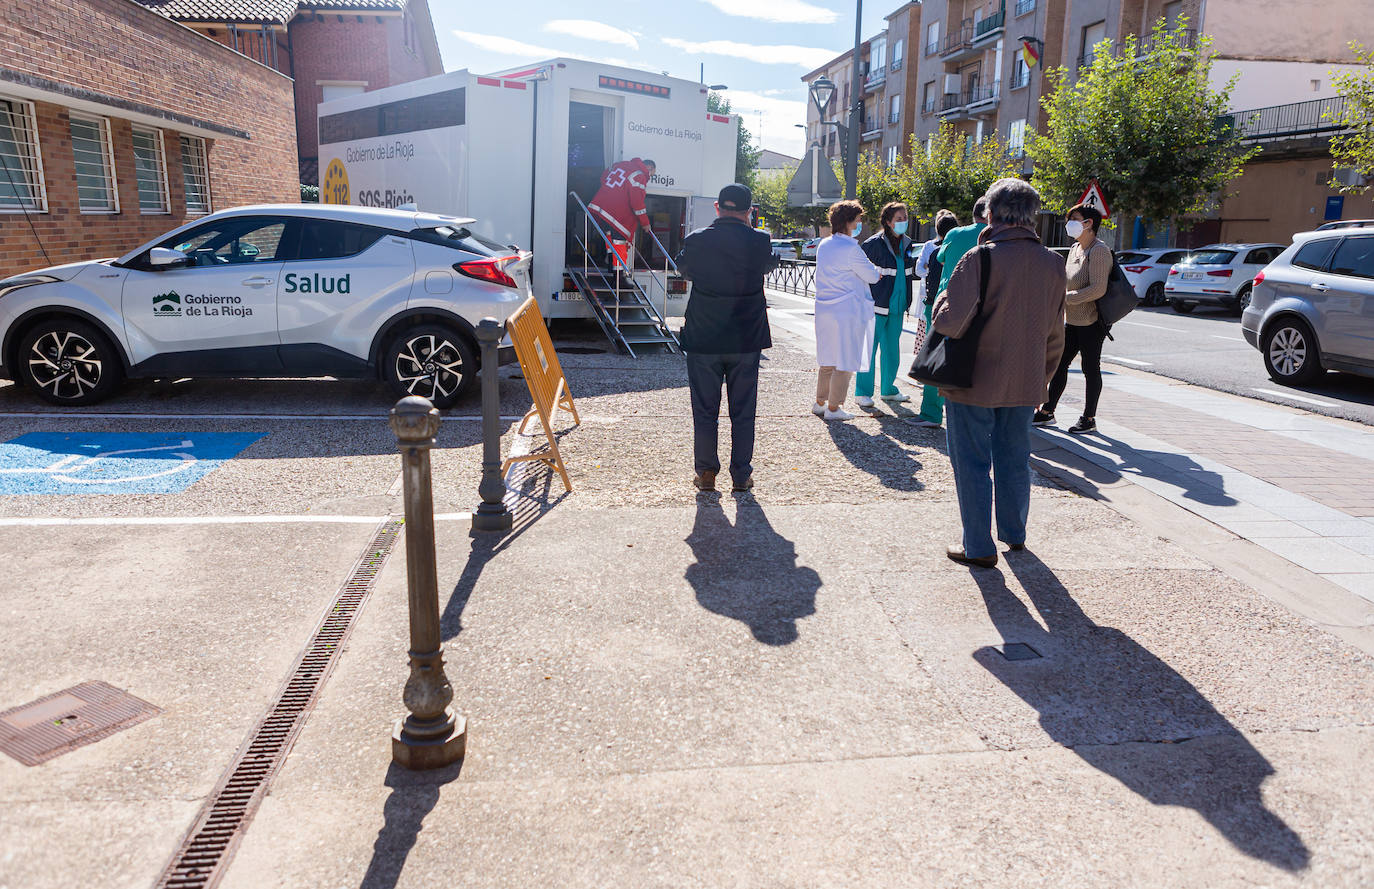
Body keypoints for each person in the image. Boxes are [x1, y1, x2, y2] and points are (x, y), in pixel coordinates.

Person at [931, 178, 1066, 568]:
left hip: (973, 378)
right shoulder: (1054, 263)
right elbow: (1056, 331)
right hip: (1026, 379)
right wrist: (1041, 377)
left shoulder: (979, 257)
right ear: (1032, 216)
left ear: (990, 213)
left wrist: (942, 297)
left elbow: (950, 323)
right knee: (1014, 457)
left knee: (971, 461)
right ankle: (1014, 533)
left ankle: (978, 545)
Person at [676, 183, 779, 493]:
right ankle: (741, 475)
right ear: (749, 212)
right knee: (743, 411)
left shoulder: (697, 240)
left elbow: (685, 270)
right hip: (746, 338)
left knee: (705, 410)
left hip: (704, 336)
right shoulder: (759, 240)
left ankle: (706, 473)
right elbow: (769, 265)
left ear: (717, 208)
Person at [1036, 203, 1111, 435]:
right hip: (1072, 320)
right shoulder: (1076, 248)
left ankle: (1089, 418)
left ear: (1089, 223)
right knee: (1059, 364)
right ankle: (1048, 411)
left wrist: (1066, 298)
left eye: (1075, 219)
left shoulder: (1098, 251)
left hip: (1092, 321)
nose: (1069, 223)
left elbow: (1098, 288)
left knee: (1090, 369)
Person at [812, 200, 880, 421]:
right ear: (849, 222)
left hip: (825, 309)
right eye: (858, 219)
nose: (860, 223)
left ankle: (820, 402)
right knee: (845, 360)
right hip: (847, 311)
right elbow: (870, 275)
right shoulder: (851, 248)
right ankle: (834, 407)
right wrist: (877, 272)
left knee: (827, 357)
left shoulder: (824, 244)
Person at [856, 202, 917, 409]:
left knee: (892, 350)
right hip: (876, 305)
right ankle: (862, 392)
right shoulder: (873, 244)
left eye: (905, 218)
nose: (903, 222)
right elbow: (861, 275)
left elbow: (909, 273)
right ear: (888, 222)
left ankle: (888, 390)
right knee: (869, 350)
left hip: (897, 306)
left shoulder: (907, 244)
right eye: (899, 219)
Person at [913, 209, 960, 427]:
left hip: (936, 309)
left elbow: (930, 282)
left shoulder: (936, 253)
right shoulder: (976, 248)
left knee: (932, 357)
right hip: (964, 310)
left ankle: (931, 412)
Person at [589, 157, 656, 266]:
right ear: (650, 168)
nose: (649, 177)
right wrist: (645, 223)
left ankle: (612, 270)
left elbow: (603, 178)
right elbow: (637, 203)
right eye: (652, 174)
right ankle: (619, 278)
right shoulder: (639, 175)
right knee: (619, 245)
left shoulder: (620, 166)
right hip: (617, 216)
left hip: (602, 210)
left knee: (611, 244)